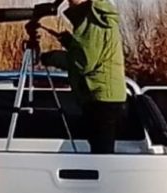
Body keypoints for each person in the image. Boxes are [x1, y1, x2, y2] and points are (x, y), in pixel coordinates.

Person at [40, 0, 127, 154]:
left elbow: (84, 62)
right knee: (101, 154)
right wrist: (69, 41)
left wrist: (51, 57)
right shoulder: (99, 17)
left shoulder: (94, 19)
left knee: (101, 159)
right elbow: (90, 50)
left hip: (102, 99)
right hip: (105, 96)